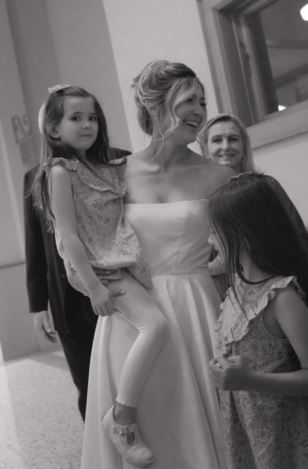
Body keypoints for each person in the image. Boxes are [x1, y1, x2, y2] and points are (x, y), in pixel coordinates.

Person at [81, 61, 233, 469]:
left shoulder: (219, 174)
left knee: (204, 422)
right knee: (149, 415)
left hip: (199, 307)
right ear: (154, 106)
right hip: (134, 316)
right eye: (188, 101)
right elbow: (88, 240)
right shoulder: (115, 174)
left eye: (203, 100)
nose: (199, 110)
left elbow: (240, 249)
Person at [32, 84, 170, 468]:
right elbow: (68, 233)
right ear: (54, 130)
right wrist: (92, 285)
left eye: (92, 117)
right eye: (76, 117)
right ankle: (121, 419)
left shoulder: (101, 165)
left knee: (153, 329)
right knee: (155, 326)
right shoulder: (60, 170)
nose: (87, 124)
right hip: (98, 266)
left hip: (119, 258)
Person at [208, 173, 308, 469]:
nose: (209, 240)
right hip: (252, 432)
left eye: (212, 231)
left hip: (287, 437)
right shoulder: (237, 290)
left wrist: (250, 381)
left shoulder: (282, 298)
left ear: (241, 233)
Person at [23, 144, 132, 420]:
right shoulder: (36, 175)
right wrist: (38, 306)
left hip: (115, 288)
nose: (82, 124)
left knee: (126, 378)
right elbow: (35, 243)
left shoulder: (119, 160)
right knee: (87, 385)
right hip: (66, 301)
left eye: (88, 116)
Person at [199, 113, 308, 290]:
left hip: (278, 289)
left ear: (244, 146)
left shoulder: (267, 186)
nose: (226, 146)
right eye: (217, 140)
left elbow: (301, 241)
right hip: (223, 294)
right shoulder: (202, 198)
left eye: (233, 139)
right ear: (206, 150)